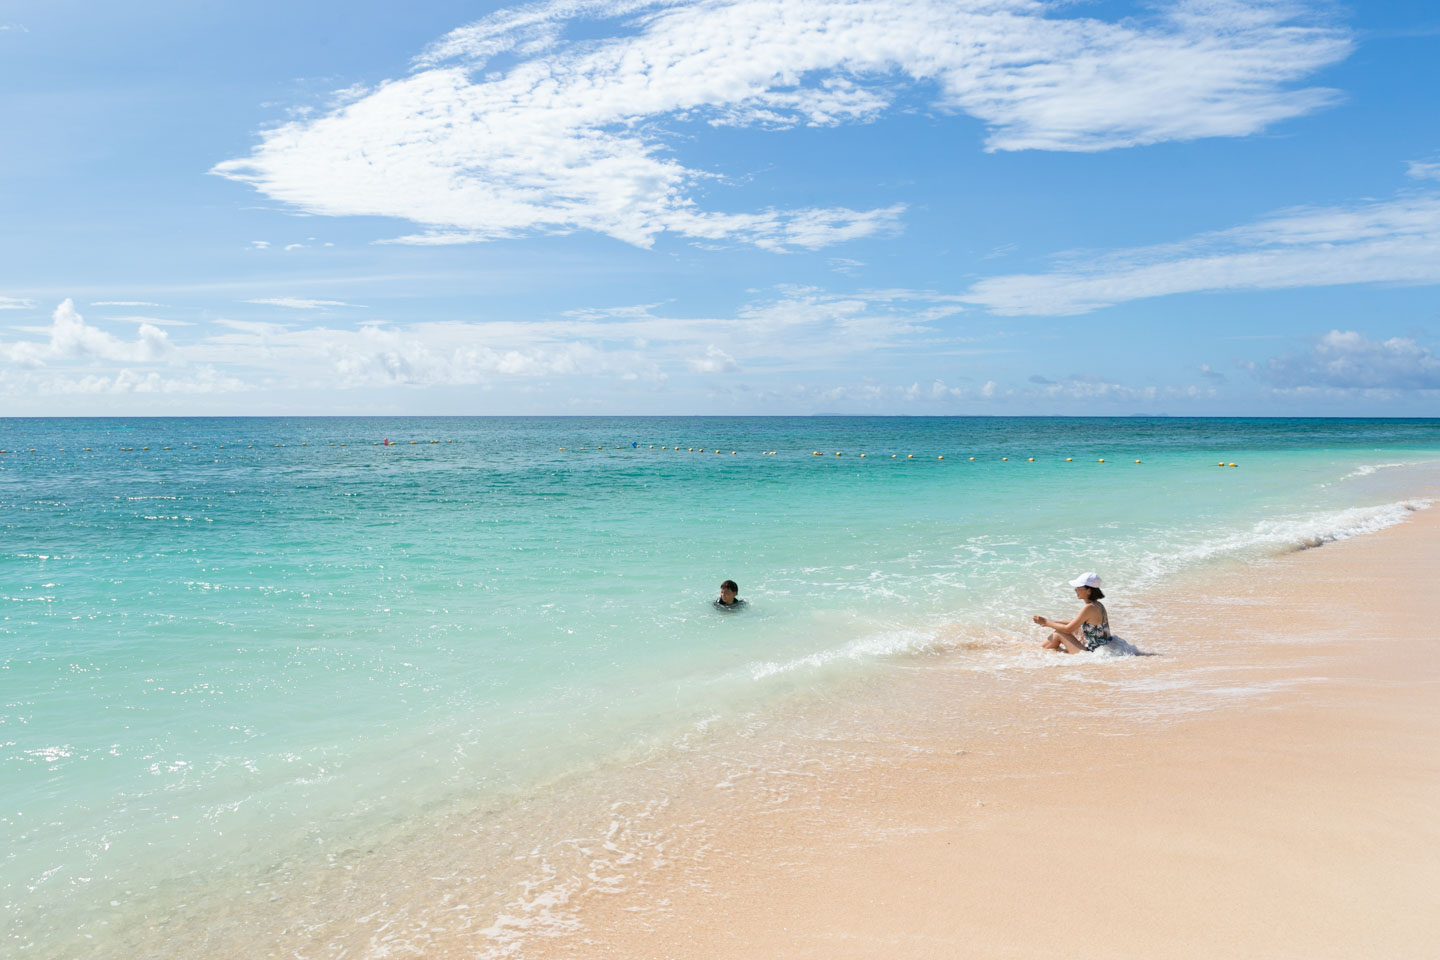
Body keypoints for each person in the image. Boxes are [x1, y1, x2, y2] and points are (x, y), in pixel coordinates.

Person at [1033, 572, 1112, 653]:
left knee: (1058, 634)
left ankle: (1035, 652)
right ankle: (1040, 650)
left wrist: (1046, 622)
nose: (1075, 589)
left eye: (1078, 587)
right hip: (1101, 647)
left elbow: (1067, 630)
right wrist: (1055, 622)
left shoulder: (1089, 607)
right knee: (1067, 634)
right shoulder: (1098, 605)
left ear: (1088, 591)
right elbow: (1076, 622)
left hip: (1092, 652)